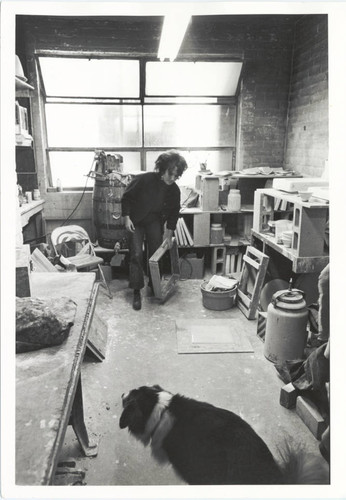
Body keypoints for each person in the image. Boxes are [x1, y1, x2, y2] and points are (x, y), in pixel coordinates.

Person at [121, 150, 188, 310]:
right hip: (136, 221)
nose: (172, 179)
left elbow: (173, 213)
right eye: (169, 174)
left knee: (156, 254)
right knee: (136, 254)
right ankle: (137, 290)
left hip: (154, 222)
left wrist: (169, 233)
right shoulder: (145, 179)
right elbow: (126, 197)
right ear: (162, 169)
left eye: (176, 176)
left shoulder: (174, 190)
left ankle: (154, 284)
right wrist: (126, 217)